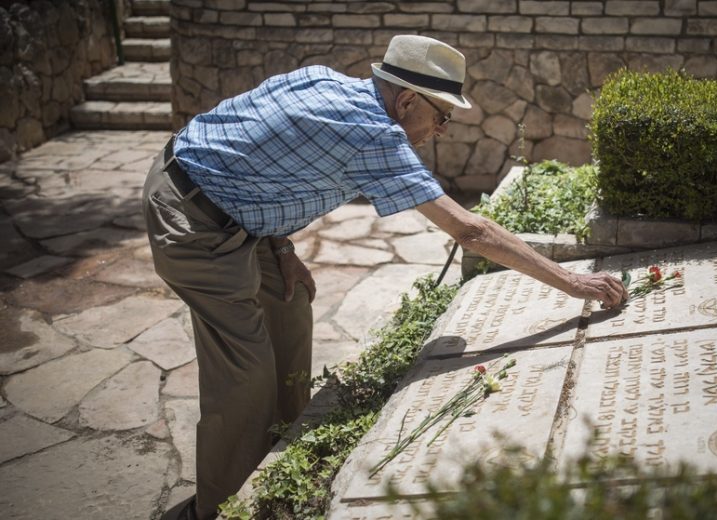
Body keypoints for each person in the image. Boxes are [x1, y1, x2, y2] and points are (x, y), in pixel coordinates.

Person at [145, 35, 627, 520]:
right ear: (408, 100)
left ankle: (280, 453)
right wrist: (574, 283)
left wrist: (281, 245)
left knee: (291, 306)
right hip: (193, 219)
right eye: (442, 116)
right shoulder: (375, 134)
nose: (441, 130)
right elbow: (470, 230)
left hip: (233, 205)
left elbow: (268, 160)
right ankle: (219, 510)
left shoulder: (324, 80)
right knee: (245, 377)